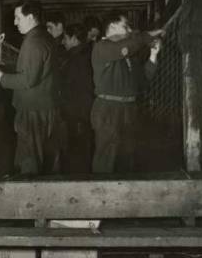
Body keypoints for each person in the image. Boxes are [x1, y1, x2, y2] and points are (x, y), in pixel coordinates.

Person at [0, 0, 62, 174]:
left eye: (18, 17)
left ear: (30, 17)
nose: (15, 22)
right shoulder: (43, 37)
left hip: (32, 110)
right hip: (44, 107)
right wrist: (1, 61)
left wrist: (1, 77)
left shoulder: (33, 42)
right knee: (45, 157)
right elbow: (31, 66)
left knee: (30, 159)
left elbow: (28, 79)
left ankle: (31, 195)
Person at [91, 12, 163, 173]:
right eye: (126, 26)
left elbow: (143, 81)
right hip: (109, 109)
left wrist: (153, 56)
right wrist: (145, 36)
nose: (129, 30)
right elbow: (124, 47)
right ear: (112, 27)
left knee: (127, 158)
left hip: (129, 110)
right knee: (106, 159)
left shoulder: (130, 53)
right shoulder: (102, 47)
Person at [61, 23, 95, 173]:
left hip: (77, 112)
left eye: (65, 38)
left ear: (74, 39)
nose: (63, 42)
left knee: (77, 150)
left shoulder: (75, 59)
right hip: (85, 110)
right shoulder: (86, 54)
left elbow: (69, 88)